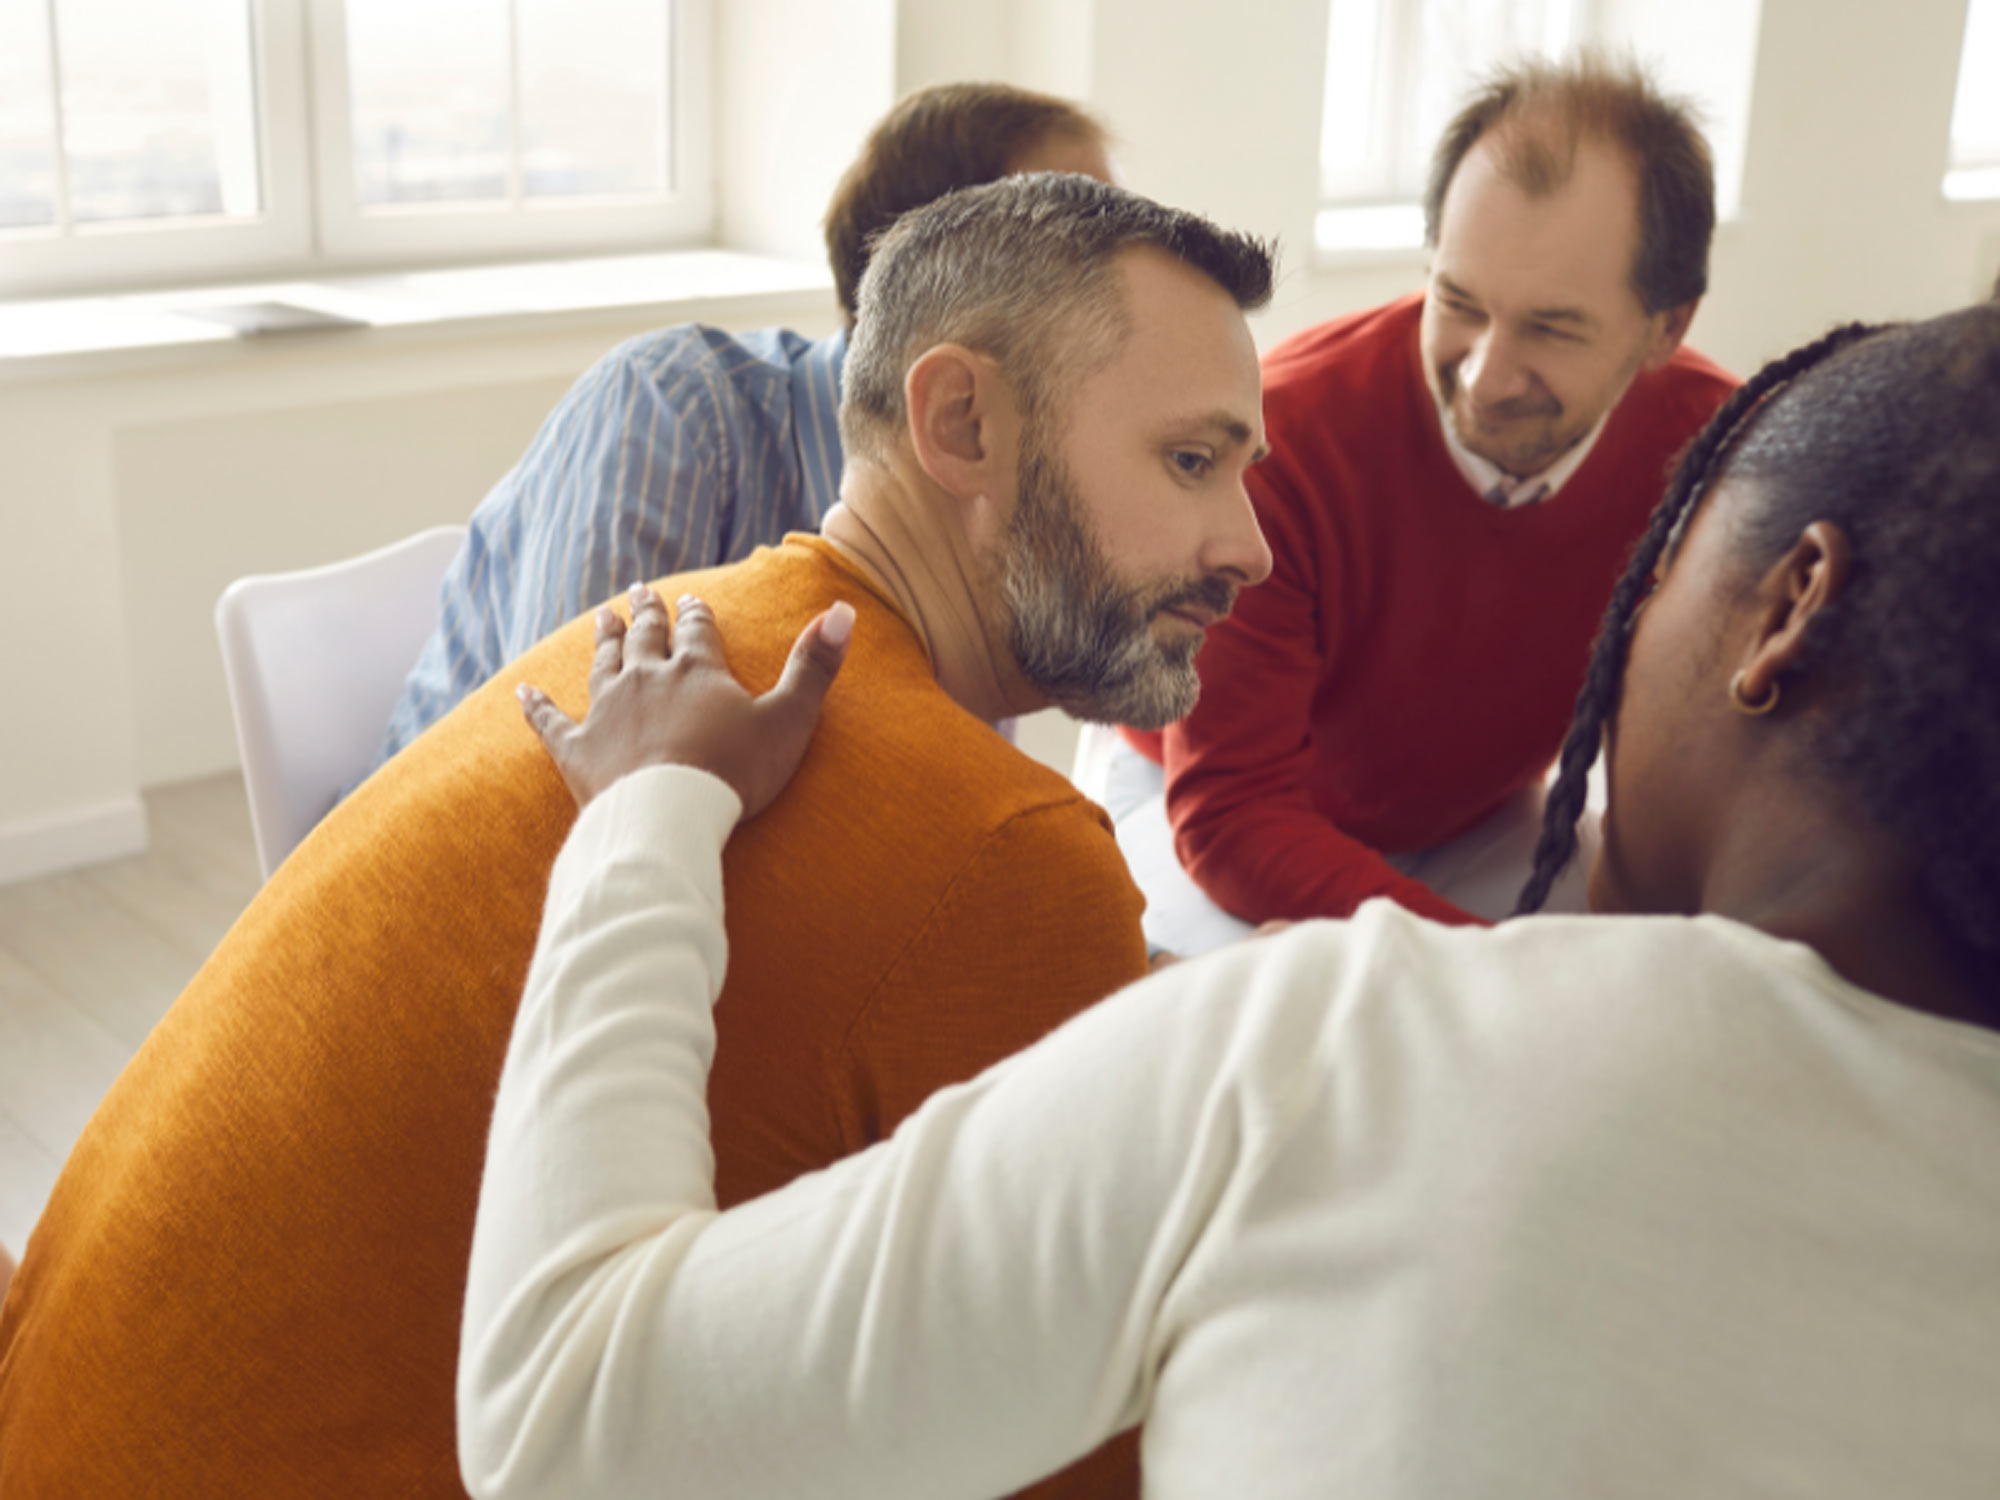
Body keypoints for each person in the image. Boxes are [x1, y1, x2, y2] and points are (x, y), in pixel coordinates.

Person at [461, 304, 2000, 1499]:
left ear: (1785, 607)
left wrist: (650, 809)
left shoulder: (1357, 1057)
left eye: (1659, 559)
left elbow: (572, 1417)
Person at [0, 175, 1271, 1500]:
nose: (1251, 547)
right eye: (1192, 461)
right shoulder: (1000, 850)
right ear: (962, 425)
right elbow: (1103, 1459)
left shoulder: (675, 632)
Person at [1108, 55, 1740, 957]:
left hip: (1481, 812)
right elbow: (1233, 813)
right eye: (1458, 302)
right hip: (1198, 812)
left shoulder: (1720, 445)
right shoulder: (1282, 443)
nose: (1484, 375)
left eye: (1553, 328)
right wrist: (1480, 969)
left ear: (1666, 328)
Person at [373, 81, 1115, 764]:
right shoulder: (671, 411)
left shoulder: (991, 485)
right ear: (939, 298)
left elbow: (933, 798)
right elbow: (569, 778)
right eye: (1086, 253)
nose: (1122, 292)